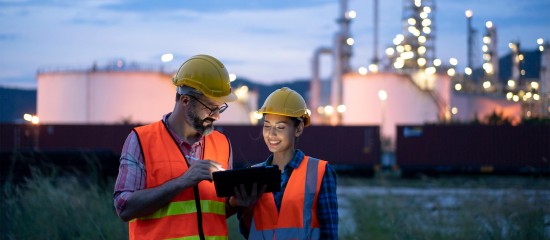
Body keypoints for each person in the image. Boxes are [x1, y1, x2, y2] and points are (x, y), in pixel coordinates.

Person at [113, 54, 249, 239]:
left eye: (220, 108)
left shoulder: (222, 144)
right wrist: (182, 181)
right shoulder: (141, 140)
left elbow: (212, 213)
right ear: (185, 101)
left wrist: (234, 203)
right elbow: (124, 208)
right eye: (211, 108)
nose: (217, 116)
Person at [237, 87, 339, 239]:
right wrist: (246, 207)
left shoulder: (319, 172)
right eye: (267, 126)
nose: (271, 134)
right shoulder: (253, 173)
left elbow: (329, 233)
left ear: (298, 129)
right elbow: (248, 231)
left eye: (280, 127)